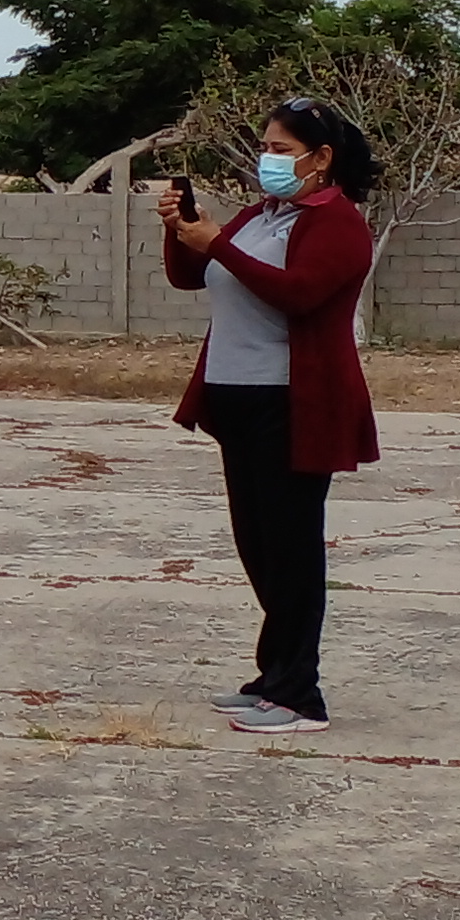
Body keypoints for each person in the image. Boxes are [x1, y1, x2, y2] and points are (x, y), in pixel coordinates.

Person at [153, 97, 381, 737]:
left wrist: (219, 244)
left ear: (321, 158)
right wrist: (183, 230)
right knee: (257, 545)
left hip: (293, 403)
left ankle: (300, 696)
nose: (267, 159)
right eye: (266, 147)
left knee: (291, 550)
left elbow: (298, 294)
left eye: (281, 149)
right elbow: (193, 276)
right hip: (237, 399)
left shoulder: (337, 223)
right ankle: (272, 676)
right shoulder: (261, 216)